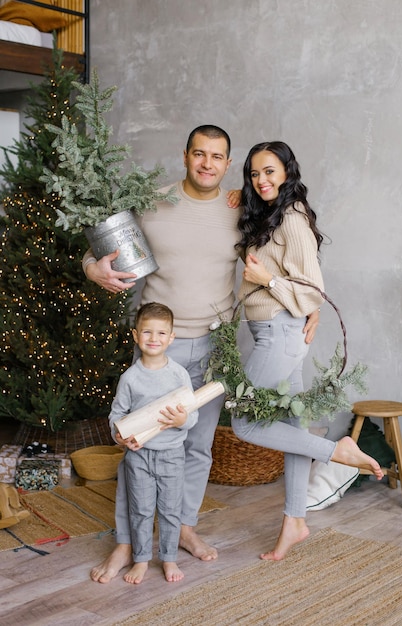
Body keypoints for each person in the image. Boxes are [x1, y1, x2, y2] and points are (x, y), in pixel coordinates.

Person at [85, 127, 319, 582]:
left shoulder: (243, 209)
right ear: (186, 155)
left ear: (228, 163)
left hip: (216, 345)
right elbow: (101, 242)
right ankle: (125, 544)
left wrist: (313, 311)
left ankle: (184, 530)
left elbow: (297, 259)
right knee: (136, 444)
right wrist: (93, 268)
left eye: (217, 157)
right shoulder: (152, 201)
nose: (208, 164)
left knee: (197, 446)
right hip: (158, 348)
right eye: (199, 154)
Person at [231, 140, 383, 562]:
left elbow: (312, 289)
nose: (262, 180)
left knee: (244, 423)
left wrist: (268, 282)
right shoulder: (270, 214)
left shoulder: (292, 217)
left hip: (278, 333)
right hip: (278, 331)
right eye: (254, 173)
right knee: (292, 432)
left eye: (269, 171)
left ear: (287, 172)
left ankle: (337, 452)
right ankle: (295, 521)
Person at [108, 302, 198, 584]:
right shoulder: (130, 379)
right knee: (141, 510)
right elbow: (117, 415)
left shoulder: (178, 375)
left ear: (171, 338)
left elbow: (191, 416)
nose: (154, 339)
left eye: (161, 333)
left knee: (171, 510)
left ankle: (169, 559)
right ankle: (141, 560)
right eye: (147, 332)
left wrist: (181, 420)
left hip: (172, 454)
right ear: (136, 336)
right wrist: (119, 435)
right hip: (139, 457)